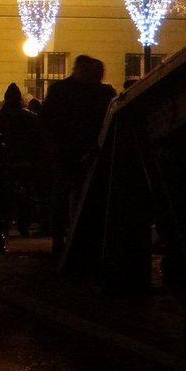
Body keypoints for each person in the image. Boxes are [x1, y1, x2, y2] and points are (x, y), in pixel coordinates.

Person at [41, 54, 116, 254]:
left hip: (69, 150)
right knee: (83, 193)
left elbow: (47, 121)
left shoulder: (60, 90)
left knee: (63, 195)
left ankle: (62, 238)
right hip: (86, 150)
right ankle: (80, 239)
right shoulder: (103, 92)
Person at [0, 83, 48, 252]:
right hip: (25, 162)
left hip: (3, 162)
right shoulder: (30, 117)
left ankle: (3, 226)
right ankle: (23, 226)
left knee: (3, 196)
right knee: (25, 196)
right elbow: (38, 140)